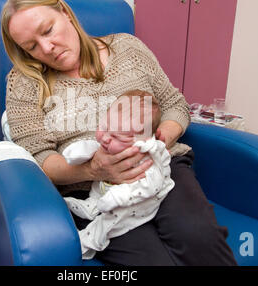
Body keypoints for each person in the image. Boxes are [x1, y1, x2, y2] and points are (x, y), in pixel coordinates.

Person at [2, 0, 237, 265]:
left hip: (161, 169)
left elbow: (174, 103)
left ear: (65, 13)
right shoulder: (23, 82)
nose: (46, 48)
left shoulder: (128, 48)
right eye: (31, 46)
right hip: (95, 190)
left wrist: (162, 138)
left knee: (199, 237)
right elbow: (37, 156)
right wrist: (92, 168)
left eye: (48, 30)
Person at [62, 90, 174, 259]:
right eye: (104, 127)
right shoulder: (112, 141)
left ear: (142, 140)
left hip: (134, 204)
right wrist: (78, 153)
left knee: (110, 221)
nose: (105, 138)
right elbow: (94, 148)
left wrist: (118, 197)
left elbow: (150, 186)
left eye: (116, 136)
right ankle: (92, 205)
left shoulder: (148, 159)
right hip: (104, 191)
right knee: (98, 193)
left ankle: (87, 241)